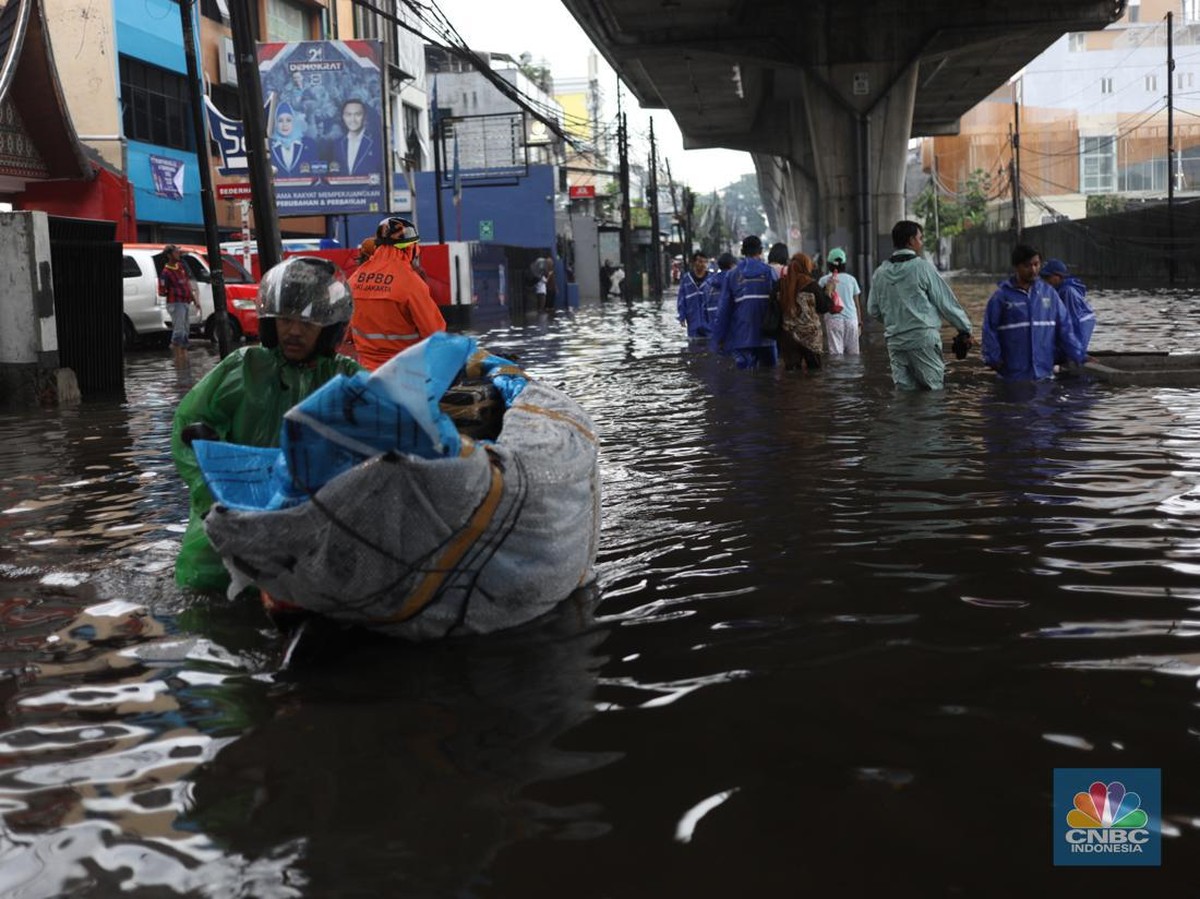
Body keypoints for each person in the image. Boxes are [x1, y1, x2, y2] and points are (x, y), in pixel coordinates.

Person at [172, 256, 362, 592]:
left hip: (312, 525)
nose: (293, 331)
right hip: (229, 525)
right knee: (207, 596)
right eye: (285, 320)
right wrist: (212, 499)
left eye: (308, 324)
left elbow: (393, 425)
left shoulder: (347, 380)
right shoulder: (242, 368)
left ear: (330, 330)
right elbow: (188, 426)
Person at [868, 220, 973, 391]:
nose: (921, 242)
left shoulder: (880, 273)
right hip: (923, 340)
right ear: (911, 241)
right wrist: (965, 329)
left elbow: (873, 310)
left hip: (895, 342)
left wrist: (895, 320)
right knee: (932, 395)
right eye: (920, 238)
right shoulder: (922, 268)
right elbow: (946, 303)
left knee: (904, 397)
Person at [347, 216, 446, 370]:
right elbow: (435, 334)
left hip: (365, 372)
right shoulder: (411, 283)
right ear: (410, 248)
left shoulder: (354, 280)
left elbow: (344, 333)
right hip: (405, 372)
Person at [982, 244, 1085, 381]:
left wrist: (1079, 354)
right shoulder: (1001, 297)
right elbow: (989, 329)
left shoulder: (1049, 294)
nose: (1033, 270)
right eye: (1027, 265)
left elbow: (1065, 328)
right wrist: (994, 358)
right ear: (1016, 267)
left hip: (1044, 374)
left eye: (1036, 264)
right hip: (1013, 375)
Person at [712, 235, 779, 370]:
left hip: (741, 337)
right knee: (769, 380)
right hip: (767, 337)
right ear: (760, 251)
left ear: (742, 252)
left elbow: (723, 310)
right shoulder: (770, 272)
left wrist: (719, 338)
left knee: (744, 382)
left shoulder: (731, 275)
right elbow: (780, 303)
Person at [777, 253, 831, 371]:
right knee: (814, 374)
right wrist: (828, 292)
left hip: (788, 336)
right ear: (806, 266)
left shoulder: (780, 284)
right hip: (810, 337)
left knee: (791, 376)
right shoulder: (812, 285)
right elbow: (824, 307)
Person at [1040, 258, 1096, 360]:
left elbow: (1072, 321)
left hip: (1081, 323)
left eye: (1047, 277)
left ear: (1058, 276)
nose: (1044, 280)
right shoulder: (1053, 290)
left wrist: (1075, 351)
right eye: (1043, 277)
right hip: (1072, 322)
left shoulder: (1067, 292)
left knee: (1069, 353)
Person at [158, 244, 199, 368]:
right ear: (169, 255)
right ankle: (178, 358)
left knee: (185, 329)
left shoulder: (180, 267)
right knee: (179, 329)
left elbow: (187, 284)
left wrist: (194, 300)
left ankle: (184, 357)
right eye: (176, 252)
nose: (178, 254)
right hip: (176, 303)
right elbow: (162, 290)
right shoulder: (166, 272)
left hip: (185, 302)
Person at [819, 247, 864, 356]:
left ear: (829, 264)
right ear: (844, 264)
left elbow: (820, 303)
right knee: (854, 357)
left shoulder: (824, 280)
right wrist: (859, 323)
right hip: (851, 321)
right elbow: (857, 304)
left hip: (834, 321)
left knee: (836, 356)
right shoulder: (852, 280)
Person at [328, 98, 381, 177]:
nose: (353, 119)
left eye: (357, 114)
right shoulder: (336, 144)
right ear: (343, 117)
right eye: (348, 115)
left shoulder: (376, 143)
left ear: (364, 117)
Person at [269, 101, 318, 175]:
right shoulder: (268, 146)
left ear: (294, 122)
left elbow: (316, 173)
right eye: (280, 121)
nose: (284, 124)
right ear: (275, 124)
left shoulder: (308, 144)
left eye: (288, 120)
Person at [703, 252, 736, 352]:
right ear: (731, 265)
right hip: (732, 329)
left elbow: (704, 307)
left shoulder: (708, 283)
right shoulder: (735, 280)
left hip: (713, 328)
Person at [676, 251, 710, 340]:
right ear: (694, 263)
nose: (702, 264)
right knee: (693, 346)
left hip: (709, 320)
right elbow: (681, 298)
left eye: (704, 262)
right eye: (700, 261)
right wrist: (682, 316)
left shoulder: (711, 278)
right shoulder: (686, 279)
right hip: (692, 319)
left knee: (710, 346)